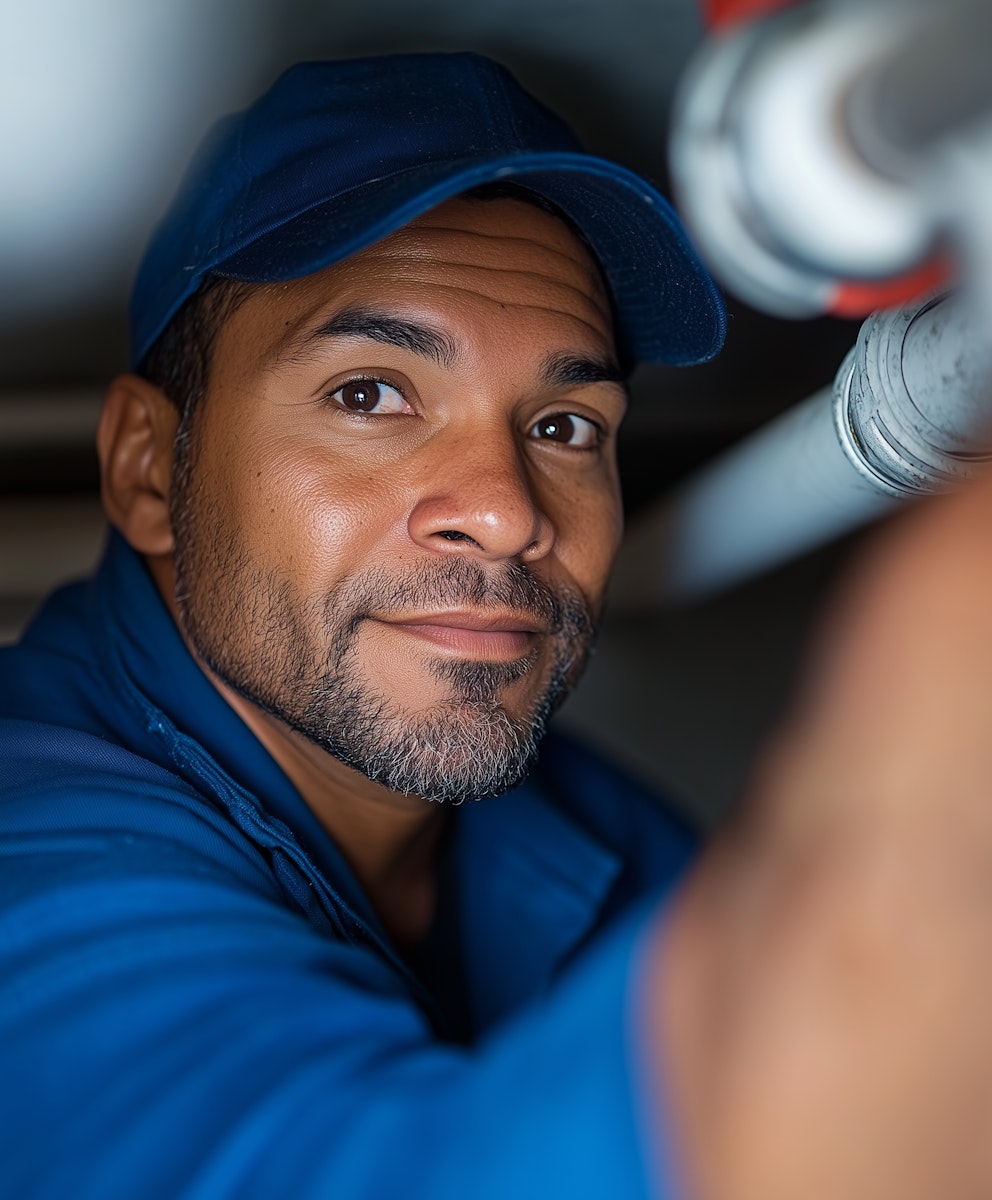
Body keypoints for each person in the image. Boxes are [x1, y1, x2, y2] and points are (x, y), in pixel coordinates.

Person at [5, 50, 992, 1200]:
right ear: (145, 471)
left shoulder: (579, 826)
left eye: (564, 425)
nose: (506, 511)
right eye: (369, 395)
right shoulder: (35, 852)